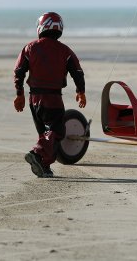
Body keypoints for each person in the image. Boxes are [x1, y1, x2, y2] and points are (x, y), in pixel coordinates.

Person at [13, 12, 86, 178]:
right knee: (56, 131)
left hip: (33, 99)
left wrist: (19, 94)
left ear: (41, 27)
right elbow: (78, 72)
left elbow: (18, 71)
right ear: (59, 29)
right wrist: (80, 92)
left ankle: (44, 166)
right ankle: (37, 153)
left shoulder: (30, 48)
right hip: (53, 98)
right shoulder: (64, 51)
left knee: (45, 134)